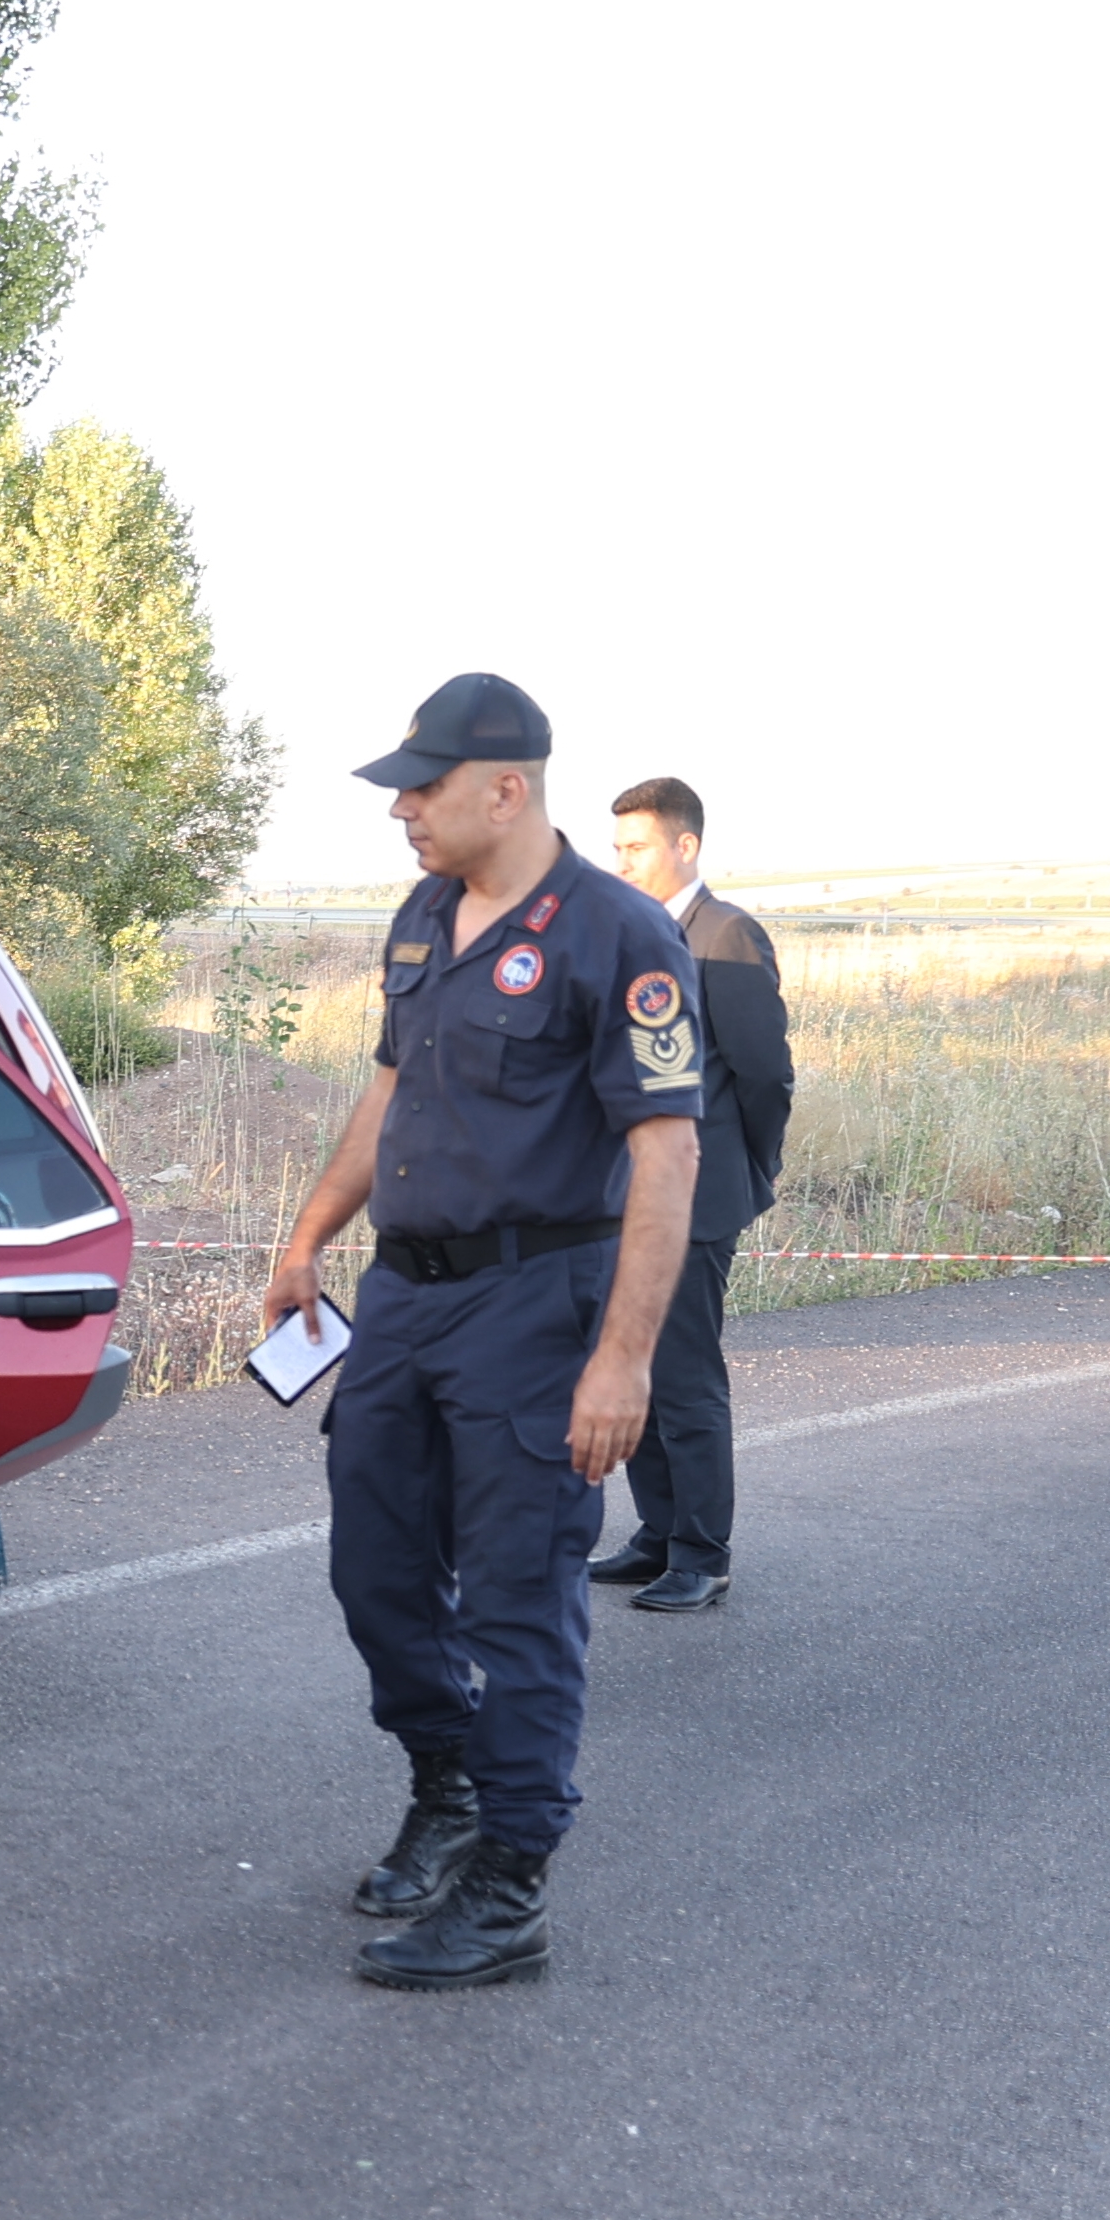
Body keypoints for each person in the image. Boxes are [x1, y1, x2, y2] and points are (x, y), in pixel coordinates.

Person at [265, 673, 701, 1992]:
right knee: (376, 1573)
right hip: (406, 1297)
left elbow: (668, 1160)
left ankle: (511, 1881)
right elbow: (391, 1092)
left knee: (517, 1600)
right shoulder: (421, 917)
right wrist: (308, 1237)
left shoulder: (620, 938)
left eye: (425, 784)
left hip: (536, 1302)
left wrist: (621, 1357)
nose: (402, 806)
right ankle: (444, 1789)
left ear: (505, 789)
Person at [593, 777, 792, 1612]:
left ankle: (702, 1554)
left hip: (696, 1197)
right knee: (631, 1368)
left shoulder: (727, 936)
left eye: (636, 847)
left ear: (685, 846)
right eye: (617, 849)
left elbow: (764, 1074)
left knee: (683, 1378)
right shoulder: (630, 936)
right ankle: (656, 1535)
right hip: (620, 1198)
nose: (622, 863)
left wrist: (755, 1169)